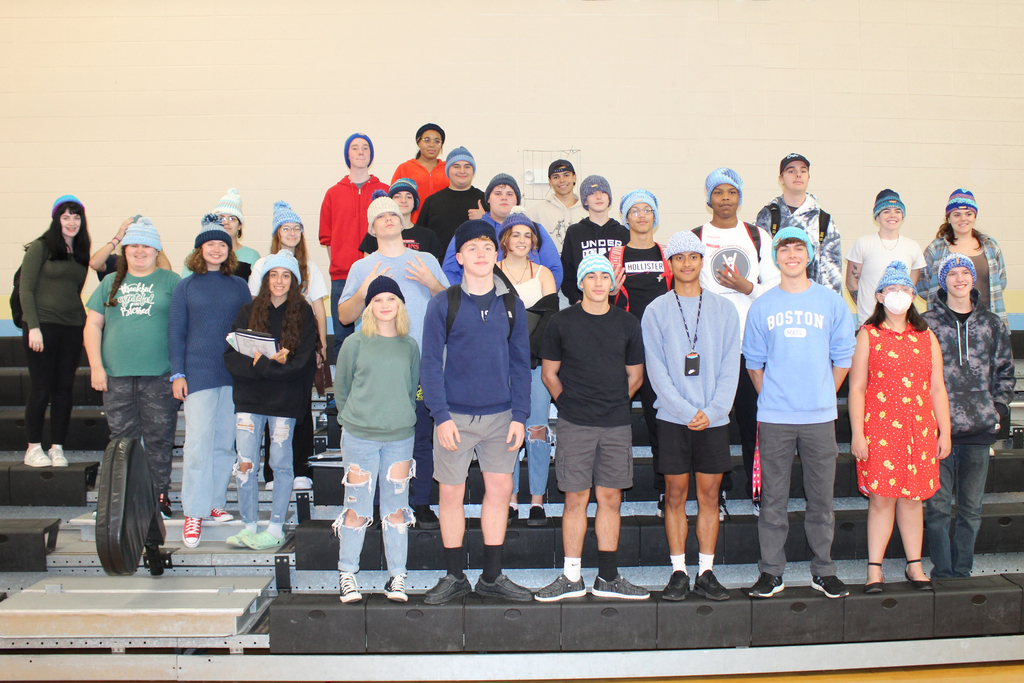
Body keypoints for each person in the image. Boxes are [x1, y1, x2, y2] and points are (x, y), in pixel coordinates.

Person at [420, 220, 532, 604]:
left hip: (502, 416)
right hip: (455, 417)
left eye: (487, 247)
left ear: (496, 254)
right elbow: (430, 365)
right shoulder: (443, 303)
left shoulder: (512, 304)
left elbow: (521, 364)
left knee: (499, 491)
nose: (481, 254)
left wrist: (521, 415)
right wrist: (441, 415)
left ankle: (492, 576)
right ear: (460, 257)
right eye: (472, 248)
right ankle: (453, 576)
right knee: (450, 494)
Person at [742, 227, 856, 600]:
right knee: (773, 500)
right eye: (784, 249)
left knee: (821, 500)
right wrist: (776, 397)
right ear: (776, 256)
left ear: (808, 255)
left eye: (798, 248)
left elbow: (843, 358)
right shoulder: (763, 305)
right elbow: (754, 363)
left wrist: (823, 394)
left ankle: (823, 571)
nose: (792, 255)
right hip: (775, 418)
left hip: (820, 418)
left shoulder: (831, 303)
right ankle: (772, 573)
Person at [535, 254, 647, 601]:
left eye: (604, 276)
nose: (598, 283)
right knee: (576, 499)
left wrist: (613, 403)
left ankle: (608, 578)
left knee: (610, 498)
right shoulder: (560, 322)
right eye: (591, 276)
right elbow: (549, 373)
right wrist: (568, 404)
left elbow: (636, 376)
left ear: (612, 284)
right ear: (581, 283)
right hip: (574, 424)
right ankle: (571, 578)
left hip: (614, 424)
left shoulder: (627, 323)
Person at [338, 193, 448, 528]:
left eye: (393, 214)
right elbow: (344, 316)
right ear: (371, 228)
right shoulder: (361, 267)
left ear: (402, 221)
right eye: (380, 217)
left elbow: (451, 307)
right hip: (378, 369)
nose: (388, 219)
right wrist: (362, 291)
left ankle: (422, 503)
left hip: (421, 364)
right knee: (374, 439)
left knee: (422, 437)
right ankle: (370, 506)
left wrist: (431, 282)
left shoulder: (425, 259)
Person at [641, 231, 740, 601]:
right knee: (675, 494)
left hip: (714, 419)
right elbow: (656, 369)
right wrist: (685, 411)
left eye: (693, 257)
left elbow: (732, 365)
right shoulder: (656, 310)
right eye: (679, 258)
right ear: (670, 263)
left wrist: (713, 411)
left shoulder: (724, 309)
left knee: (710, 495)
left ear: (702, 262)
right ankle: (679, 571)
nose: (686, 264)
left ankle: (707, 571)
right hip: (672, 418)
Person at [849, 261, 951, 592]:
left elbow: (937, 388)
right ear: (880, 295)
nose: (899, 296)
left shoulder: (927, 337)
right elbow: (857, 388)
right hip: (879, 431)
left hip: (920, 431)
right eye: (892, 290)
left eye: (905, 290)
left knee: (913, 499)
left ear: (913, 296)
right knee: (881, 499)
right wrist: (857, 433)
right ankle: (875, 569)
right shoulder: (869, 334)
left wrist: (944, 432)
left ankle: (915, 566)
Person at [922, 254, 1014, 579]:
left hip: (979, 431)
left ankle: (962, 572)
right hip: (937, 432)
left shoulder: (992, 323)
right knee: (936, 508)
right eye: (952, 273)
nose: (959, 278)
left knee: (970, 510)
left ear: (973, 279)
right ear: (942, 280)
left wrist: (998, 409)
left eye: (965, 272)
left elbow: (1005, 371)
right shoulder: (925, 323)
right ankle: (942, 572)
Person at [695, 168, 780, 515]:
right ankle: (717, 494)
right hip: (709, 347)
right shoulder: (696, 236)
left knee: (751, 422)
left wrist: (747, 287)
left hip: (752, 347)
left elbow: (776, 292)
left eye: (732, 192)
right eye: (719, 192)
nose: (725, 198)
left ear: (739, 197)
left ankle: (757, 492)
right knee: (712, 424)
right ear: (709, 198)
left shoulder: (757, 235)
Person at [83, 219, 181, 518]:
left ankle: (158, 497)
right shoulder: (109, 281)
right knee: (121, 442)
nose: (140, 251)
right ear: (125, 250)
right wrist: (96, 367)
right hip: (116, 376)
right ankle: (124, 499)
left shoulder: (171, 281)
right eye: (134, 245)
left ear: (157, 250)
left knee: (159, 439)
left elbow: (182, 328)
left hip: (160, 375)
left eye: (147, 245)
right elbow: (93, 325)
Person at [333, 276, 421, 603]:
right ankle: (347, 574)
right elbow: (341, 388)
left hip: (400, 439)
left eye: (391, 299)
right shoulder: (355, 342)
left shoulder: (410, 345)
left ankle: (397, 577)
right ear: (369, 307)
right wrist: (354, 420)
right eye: (378, 300)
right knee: (355, 508)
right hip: (360, 438)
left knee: (396, 510)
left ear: (400, 305)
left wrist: (394, 417)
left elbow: (412, 389)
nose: (385, 305)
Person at [224, 251, 317, 550]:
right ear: (265, 280)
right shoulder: (247, 311)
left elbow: (301, 363)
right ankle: (248, 525)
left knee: (281, 464)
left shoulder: (304, 314)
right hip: (249, 400)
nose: (279, 281)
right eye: (274, 275)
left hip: (284, 400)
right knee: (246, 465)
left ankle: (275, 526)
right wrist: (269, 364)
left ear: (294, 281)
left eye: (286, 275)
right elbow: (231, 357)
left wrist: (259, 365)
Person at [169, 215, 252, 548]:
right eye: (210, 244)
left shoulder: (239, 286)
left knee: (223, 445)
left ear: (229, 250)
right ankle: (194, 511)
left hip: (232, 376)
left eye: (222, 244)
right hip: (198, 376)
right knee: (197, 446)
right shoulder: (185, 286)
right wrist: (178, 373)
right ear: (199, 249)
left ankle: (215, 503)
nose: (216, 249)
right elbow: (176, 333)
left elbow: (248, 330)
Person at [248, 201, 330, 492]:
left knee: (301, 408)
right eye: (286, 228)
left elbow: (319, 307)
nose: (292, 233)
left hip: (303, 344)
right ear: (277, 233)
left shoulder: (311, 267)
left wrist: (321, 347)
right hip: (270, 344)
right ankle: (273, 473)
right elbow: (255, 306)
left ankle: (301, 469)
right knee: (271, 407)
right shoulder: (261, 265)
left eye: (297, 228)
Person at [611, 189, 672, 512]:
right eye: (634, 210)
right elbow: (602, 301)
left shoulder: (667, 254)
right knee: (617, 421)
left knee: (659, 421)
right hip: (623, 349)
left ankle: (665, 488)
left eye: (647, 209)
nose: (641, 215)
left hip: (661, 351)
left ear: (655, 216)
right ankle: (613, 488)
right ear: (626, 218)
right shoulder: (615, 256)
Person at [19, 195, 91, 468]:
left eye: (76, 217)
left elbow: (74, 291)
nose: (72, 222)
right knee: (41, 387)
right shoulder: (40, 247)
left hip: (72, 327)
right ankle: (33, 447)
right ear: (56, 219)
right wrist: (33, 327)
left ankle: (57, 447)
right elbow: (26, 289)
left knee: (64, 387)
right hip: (42, 326)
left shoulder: (82, 251)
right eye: (66, 217)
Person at [497, 214, 558, 525]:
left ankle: (536, 499)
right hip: (499, 367)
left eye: (527, 235)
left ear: (534, 242)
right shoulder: (491, 272)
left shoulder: (544, 273)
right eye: (515, 234)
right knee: (506, 433)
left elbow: (549, 318)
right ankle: (509, 498)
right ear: (504, 239)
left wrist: (527, 353)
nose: (521, 240)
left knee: (536, 430)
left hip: (534, 365)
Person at [319, 133, 389, 361]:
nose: (360, 152)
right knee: (343, 341)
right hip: (342, 278)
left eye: (365, 148)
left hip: (378, 274)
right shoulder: (333, 193)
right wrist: (341, 265)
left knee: (381, 337)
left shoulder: (384, 191)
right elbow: (327, 238)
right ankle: (345, 396)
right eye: (355, 148)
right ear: (347, 155)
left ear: (371, 155)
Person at [441, 174, 563, 288]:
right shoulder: (469, 230)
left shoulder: (534, 230)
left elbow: (554, 269)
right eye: (498, 194)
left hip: (531, 307)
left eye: (509, 194)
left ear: (517, 201)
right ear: (488, 199)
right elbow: (450, 270)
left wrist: (542, 297)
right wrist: (465, 299)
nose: (504, 198)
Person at [755, 153, 842, 293]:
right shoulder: (768, 216)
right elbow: (757, 264)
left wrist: (830, 307)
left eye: (803, 170)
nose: (798, 175)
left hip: (813, 302)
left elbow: (832, 273)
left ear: (808, 177)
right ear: (781, 179)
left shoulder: (823, 220)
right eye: (791, 171)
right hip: (775, 299)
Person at [920, 189, 1008, 328]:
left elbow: (1000, 281)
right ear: (949, 218)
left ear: (975, 216)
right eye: (957, 215)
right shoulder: (936, 249)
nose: (963, 219)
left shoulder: (990, 246)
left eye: (968, 214)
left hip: (986, 324)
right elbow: (923, 285)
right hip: (945, 325)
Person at [845, 189, 925, 325]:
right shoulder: (863, 243)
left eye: (897, 211)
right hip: (869, 322)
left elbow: (910, 288)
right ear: (877, 217)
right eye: (886, 211)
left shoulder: (913, 246)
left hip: (901, 323)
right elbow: (852, 284)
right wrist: (869, 308)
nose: (892, 215)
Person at [560, 175, 629, 305]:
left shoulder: (623, 233)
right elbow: (567, 273)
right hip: (583, 306)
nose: (598, 197)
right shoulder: (575, 232)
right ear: (585, 201)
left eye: (603, 192)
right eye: (592, 193)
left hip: (618, 306)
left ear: (609, 199)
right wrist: (577, 299)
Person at [415, 147, 486, 252]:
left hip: (476, 264)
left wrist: (485, 218)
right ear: (448, 170)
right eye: (456, 166)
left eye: (467, 167)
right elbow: (420, 238)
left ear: (473, 171)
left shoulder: (485, 200)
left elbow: (499, 234)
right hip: (439, 266)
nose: (462, 171)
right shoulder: (432, 202)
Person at [183, 189, 261, 281]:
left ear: (240, 225)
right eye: (221, 218)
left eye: (232, 218)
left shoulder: (251, 256)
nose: (226, 222)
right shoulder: (200, 253)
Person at [358, 179, 444, 261]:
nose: (403, 200)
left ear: (415, 202)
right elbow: (367, 267)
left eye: (409, 197)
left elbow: (434, 270)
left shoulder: (428, 235)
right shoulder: (377, 233)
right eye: (397, 196)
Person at [390, 123, 448, 224]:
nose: (432, 144)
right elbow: (392, 200)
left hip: (442, 225)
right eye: (427, 140)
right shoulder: (405, 168)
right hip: (412, 225)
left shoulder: (448, 169)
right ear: (418, 142)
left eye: (437, 141)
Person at [526, 159, 587, 252]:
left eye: (566, 175)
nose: (562, 180)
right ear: (550, 181)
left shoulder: (588, 211)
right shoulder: (535, 213)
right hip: (549, 266)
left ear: (574, 178)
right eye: (556, 177)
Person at [89, 215, 172, 282]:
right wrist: (117, 238)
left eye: (145, 245)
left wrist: (154, 241)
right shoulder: (115, 262)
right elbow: (95, 263)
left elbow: (167, 273)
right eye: (134, 245)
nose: (139, 250)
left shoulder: (152, 263)